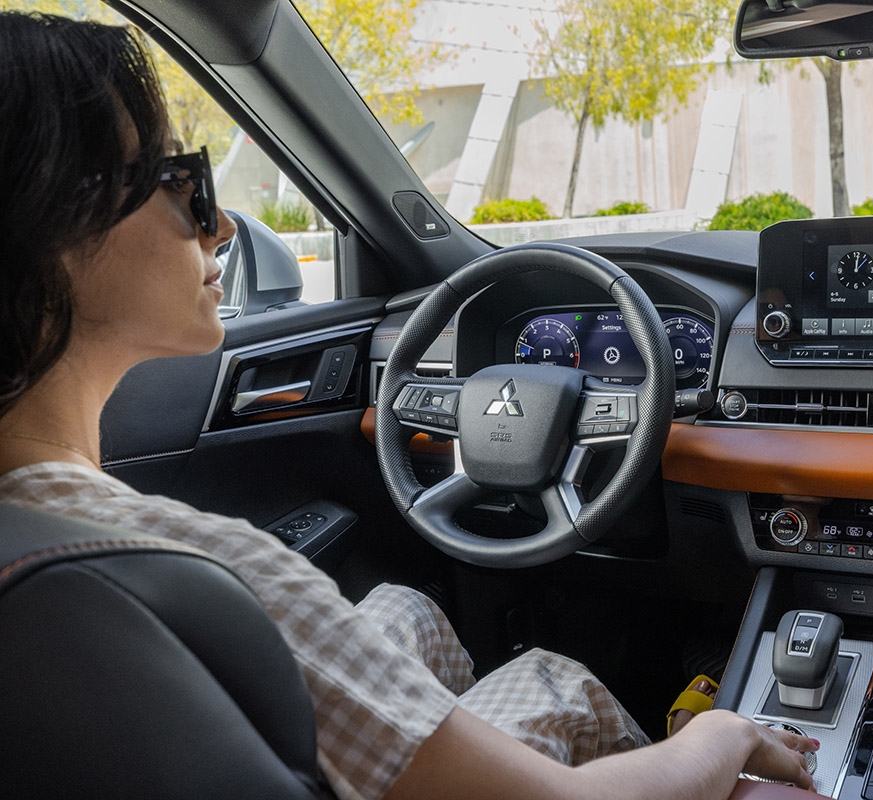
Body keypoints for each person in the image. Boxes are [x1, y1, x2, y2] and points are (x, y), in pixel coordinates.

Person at [0, 11, 819, 800]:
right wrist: (724, 736)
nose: (218, 230)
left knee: (403, 609)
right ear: (51, 230)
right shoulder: (207, 567)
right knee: (554, 678)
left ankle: (448, 751)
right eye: (184, 184)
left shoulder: (47, 536)